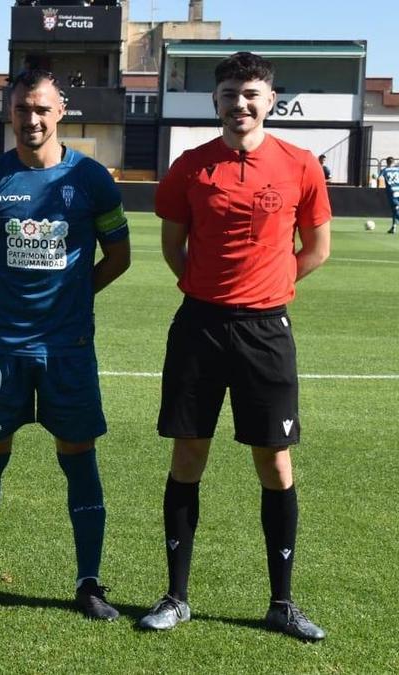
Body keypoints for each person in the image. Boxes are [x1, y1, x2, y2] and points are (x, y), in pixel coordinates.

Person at [139, 51, 331, 641]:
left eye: (251, 94)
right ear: (215, 102)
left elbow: (317, 247)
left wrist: (271, 287)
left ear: (270, 100)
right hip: (199, 327)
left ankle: (281, 603)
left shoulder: (299, 165)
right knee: (187, 457)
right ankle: (176, 596)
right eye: (229, 94)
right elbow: (174, 247)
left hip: (266, 331)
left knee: (274, 462)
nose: (240, 104)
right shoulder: (191, 167)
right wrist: (205, 289)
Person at [0, 69, 130, 619]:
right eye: (22, 109)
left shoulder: (91, 179)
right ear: (9, 112)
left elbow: (119, 255)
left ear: (59, 110)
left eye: (41, 108)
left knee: (78, 456)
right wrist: (6, 297)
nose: (32, 119)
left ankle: (89, 582)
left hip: (68, 347)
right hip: (3, 345)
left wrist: (73, 295)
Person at [380, 156, 399, 234]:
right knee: (395, 210)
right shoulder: (397, 169)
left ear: (386, 162)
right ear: (393, 162)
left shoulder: (384, 170)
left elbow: (380, 178)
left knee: (396, 210)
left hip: (392, 191)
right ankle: (393, 227)